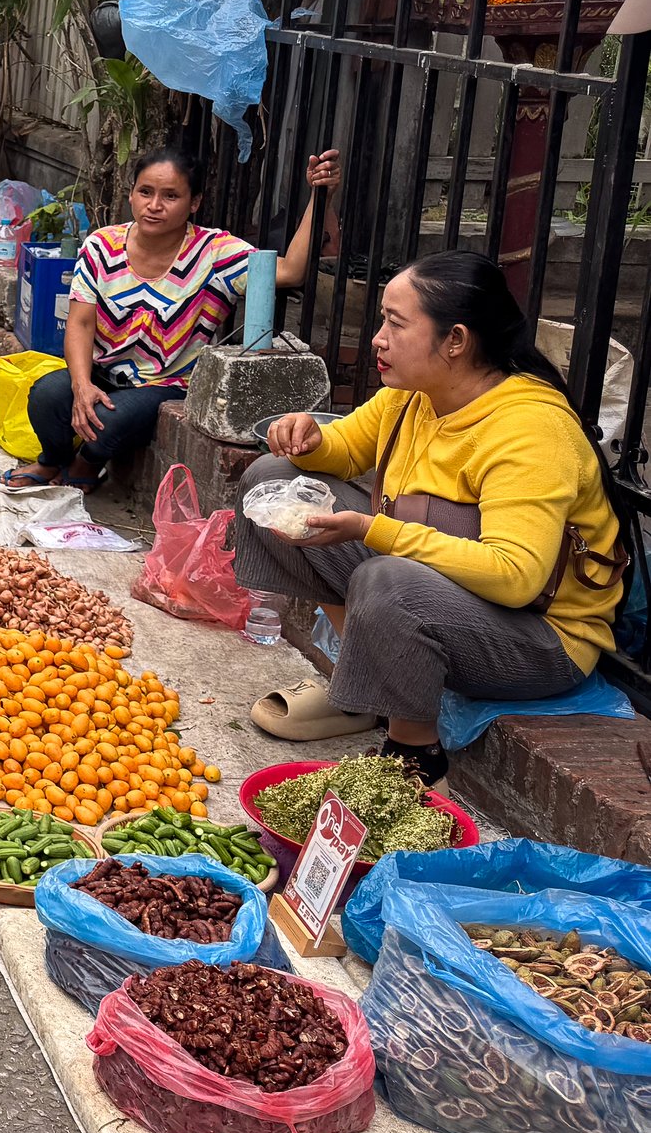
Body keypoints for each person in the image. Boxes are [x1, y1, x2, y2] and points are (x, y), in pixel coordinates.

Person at [232, 251, 629, 785]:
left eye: (396, 324)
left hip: (540, 639)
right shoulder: (412, 397)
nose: (378, 339)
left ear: (456, 340)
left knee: (388, 579)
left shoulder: (530, 430)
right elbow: (344, 449)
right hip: (445, 595)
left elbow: (516, 577)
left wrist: (374, 530)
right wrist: (307, 438)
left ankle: (412, 752)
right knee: (273, 477)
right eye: (382, 321)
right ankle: (365, 687)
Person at [3, 146, 341, 493]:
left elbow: (290, 271)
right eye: (145, 192)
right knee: (46, 395)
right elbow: (80, 322)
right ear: (131, 194)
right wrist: (81, 384)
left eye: (171, 196)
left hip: (166, 383)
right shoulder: (101, 246)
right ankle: (53, 460)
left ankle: (87, 464)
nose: (154, 205)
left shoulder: (214, 252)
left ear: (194, 202)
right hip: (102, 372)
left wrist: (321, 197)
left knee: (109, 419)